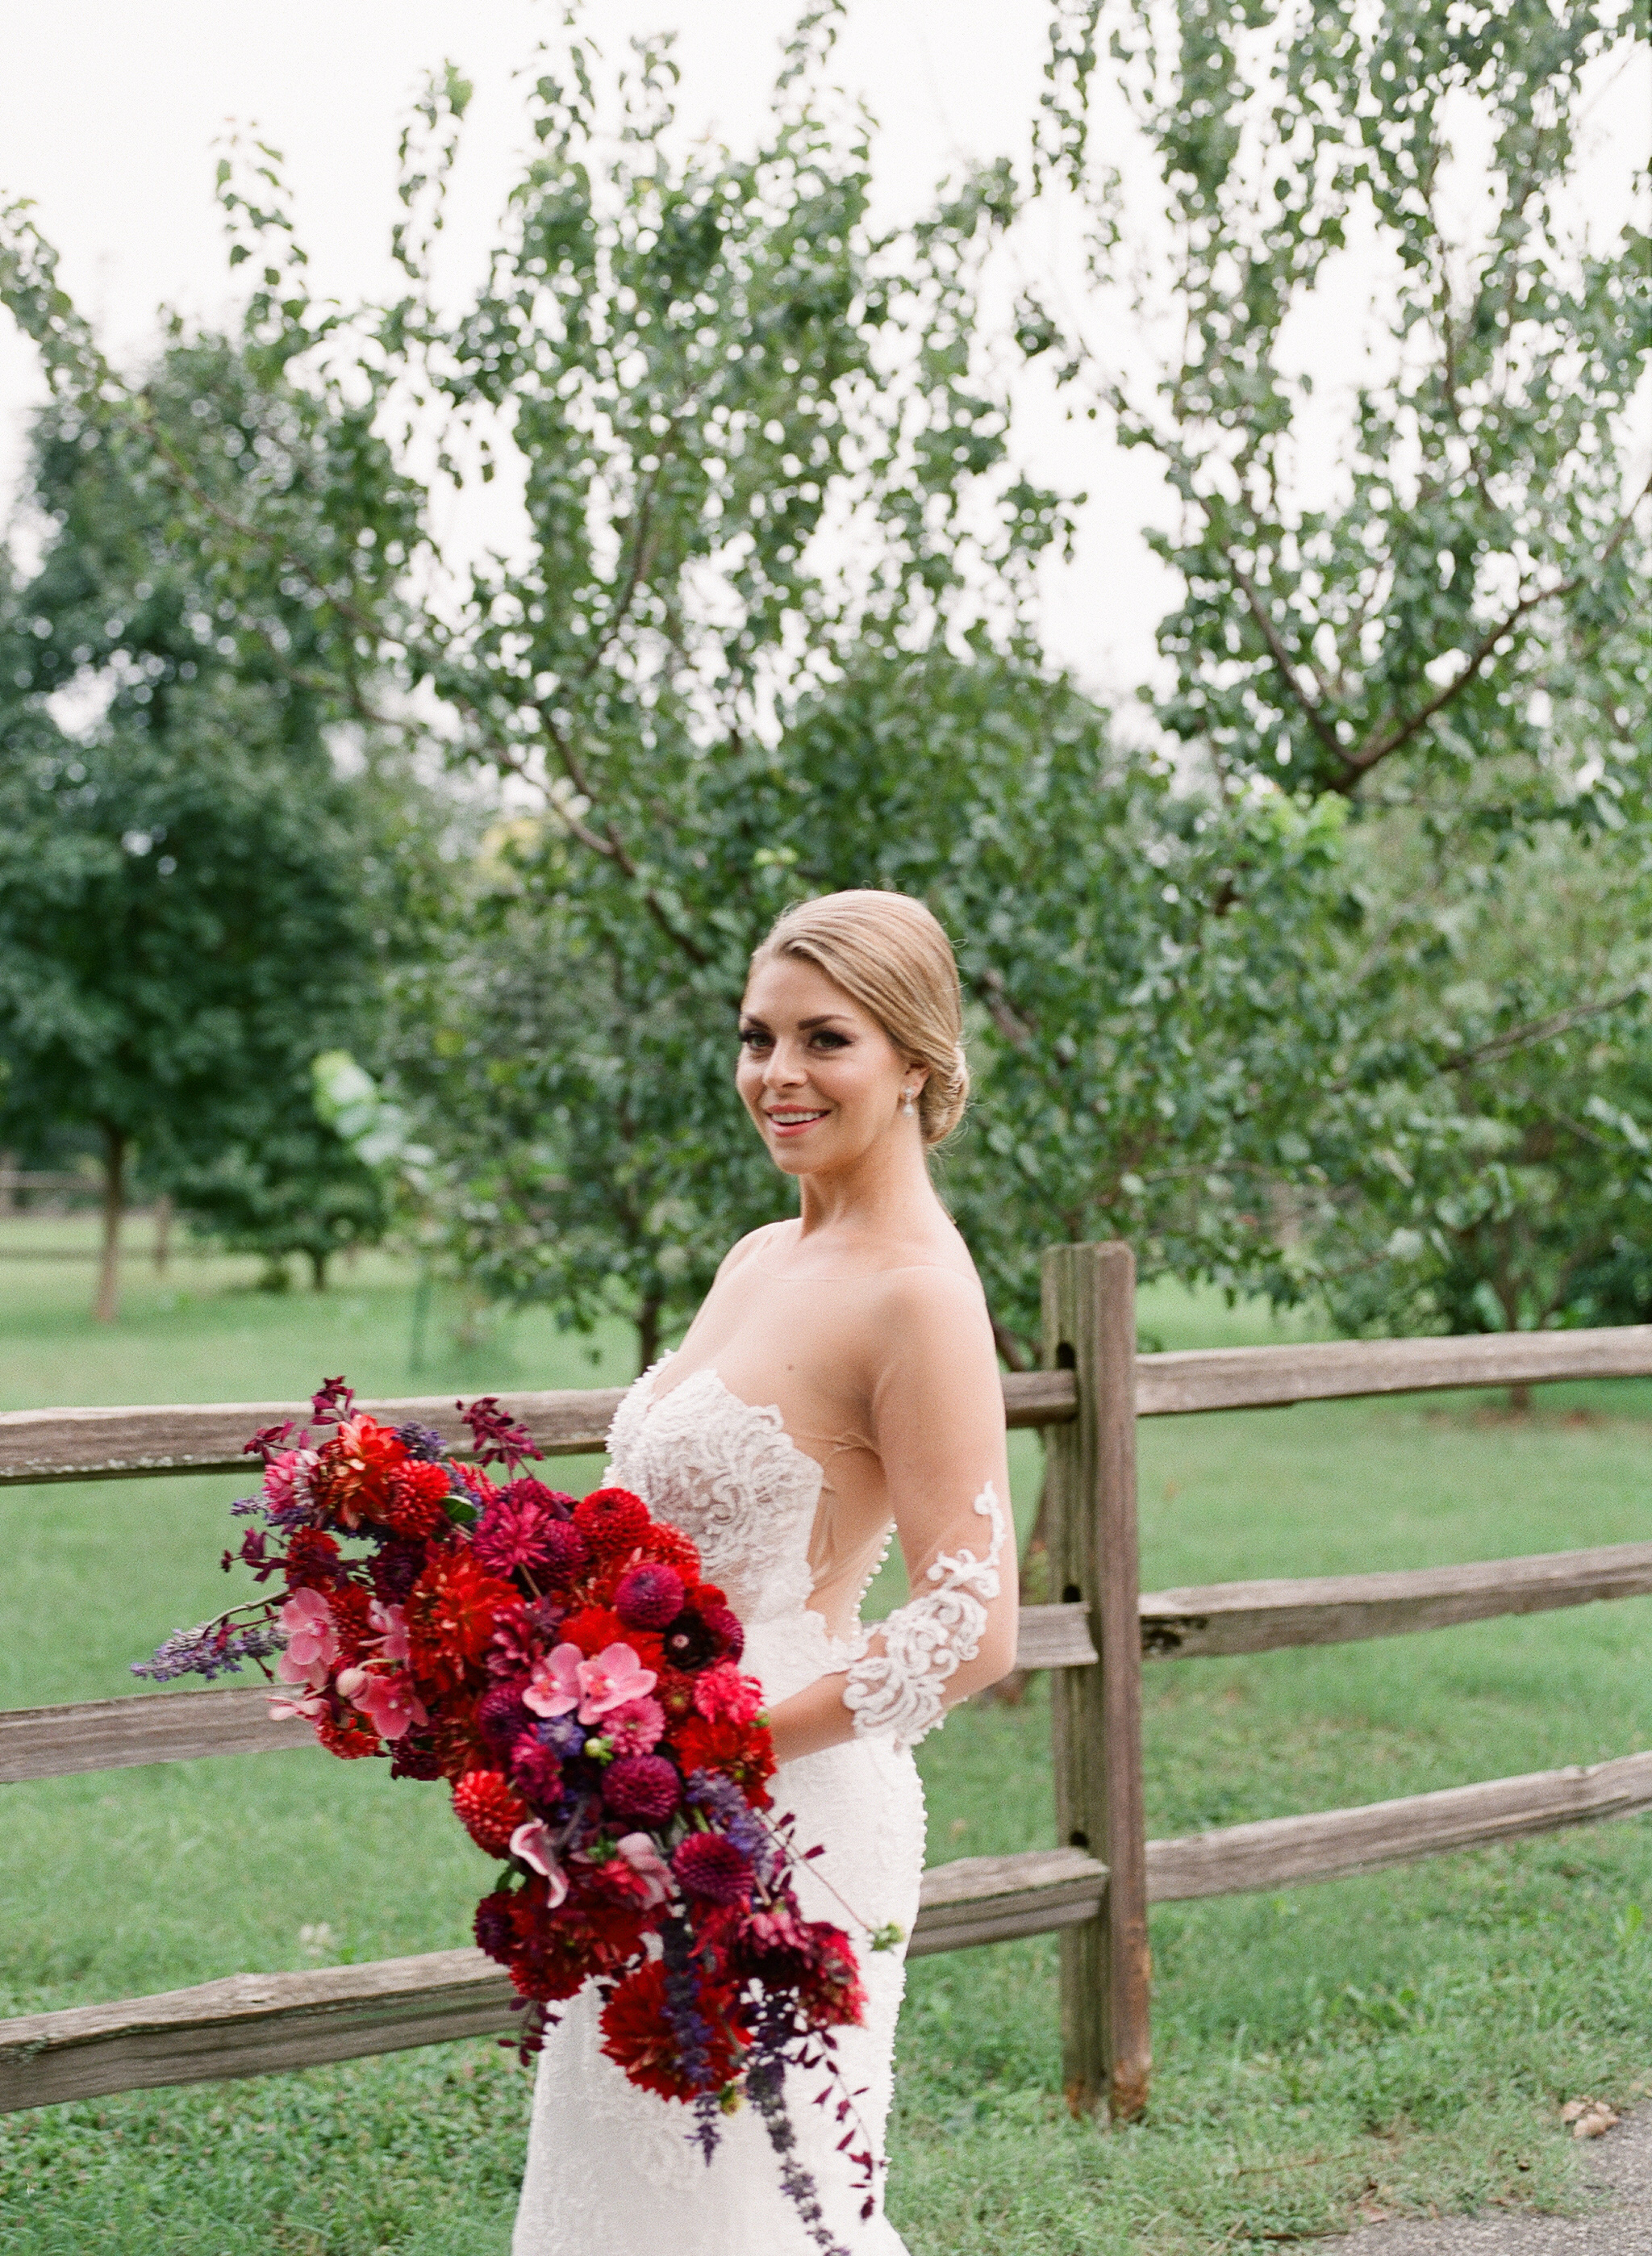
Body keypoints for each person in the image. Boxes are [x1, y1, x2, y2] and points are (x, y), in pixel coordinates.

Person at [512, 888, 1019, 2254]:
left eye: (825, 1040)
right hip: (637, 1797)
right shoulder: (757, 1257)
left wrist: (714, 1756)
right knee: (622, 2190)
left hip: (778, 1821)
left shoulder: (919, 1292)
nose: (777, 1075)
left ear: (913, 1060)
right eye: (756, 1037)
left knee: (758, 2204)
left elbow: (972, 1625)